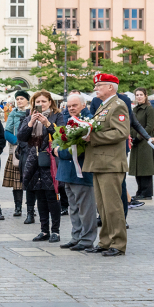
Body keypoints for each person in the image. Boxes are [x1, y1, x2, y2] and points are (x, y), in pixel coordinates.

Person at [84, 73, 129, 256]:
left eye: (99, 85)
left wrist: (92, 137)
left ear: (111, 87)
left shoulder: (118, 105)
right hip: (100, 162)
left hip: (110, 163)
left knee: (113, 206)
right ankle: (105, 241)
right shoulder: (104, 106)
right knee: (102, 206)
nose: (96, 88)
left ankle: (118, 243)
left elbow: (121, 132)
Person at [18, 91, 67, 243]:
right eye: (37, 102)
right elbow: (21, 137)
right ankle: (44, 230)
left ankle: (55, 231)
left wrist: (47, 123)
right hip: (34, 161)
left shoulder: (56, 116)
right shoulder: (28, 116)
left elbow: (61, 135)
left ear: (50, 102)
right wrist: (31, 122)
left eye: (44, 101)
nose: (41, 104)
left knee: (52, 197)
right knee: (40, 196)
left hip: (50, 160)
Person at [56, 94, 97, 251]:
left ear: (83, 105)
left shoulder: (87, 122)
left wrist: (59, 151)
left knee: (85, 209)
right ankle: (76, 236)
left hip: (81, 170)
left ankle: (87, 239)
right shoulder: (68, 120)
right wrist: (57, 148)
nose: (71, 108)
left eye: (74, 105)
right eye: (69, 106)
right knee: (73, 207)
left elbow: (75, 149)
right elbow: (60, 140)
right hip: (68, 171)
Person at [3, 92, 32, 219]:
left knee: (32, 180)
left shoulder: (32, 112)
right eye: (17, 99)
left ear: (28, 100)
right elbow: (7, 131)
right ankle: (18, 207)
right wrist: (18, 141)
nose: (19, 101)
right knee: (16, 182)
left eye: (22, 99)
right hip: (17, 150)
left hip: (31, 148)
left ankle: (31, 208)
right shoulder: (13, 113)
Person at [130, 88, 154, 200]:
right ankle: (140, 191)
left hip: (145, 142)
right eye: (137, 95)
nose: (139, 96)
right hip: (135, 142)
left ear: (146, 96)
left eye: (141, 94)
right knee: (137, 168)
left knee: (145, 168)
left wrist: (138, 137)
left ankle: (147, 192)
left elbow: (149, 126)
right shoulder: (135, 109)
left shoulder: (149, 109)